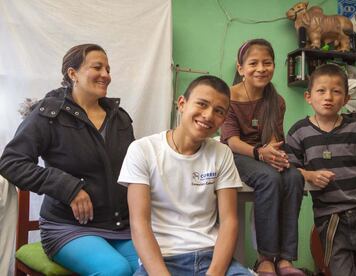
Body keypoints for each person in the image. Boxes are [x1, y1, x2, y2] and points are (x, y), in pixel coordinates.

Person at [0, 44, 138, 275]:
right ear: (72, 73)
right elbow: (11, 163)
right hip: (67, 228)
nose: (106, 75)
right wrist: (68, 187)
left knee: (156, 269)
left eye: (108, 68)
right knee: (117, 270)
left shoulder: (120, 118)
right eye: (97, 67)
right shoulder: (47, 115)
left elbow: (134, 169)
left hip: (121, 227)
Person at [118, 75, 251, 276]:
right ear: (182, 103)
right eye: (202, 104)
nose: (208, 115)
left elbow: (229, 221)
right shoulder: (142, 150)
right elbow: (139, 223)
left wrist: (214, 274)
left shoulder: (222, 153)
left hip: (210, 256)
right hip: (162, 260)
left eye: (219, 111)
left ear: (223, 119)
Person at [286, 64, 356, 276]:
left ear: (345, 99)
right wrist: (309, 175)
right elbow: (289, 171)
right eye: (321, 91)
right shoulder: (299, 132)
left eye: (336, 92)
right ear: (308, 96)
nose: (328, 97)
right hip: (330, 219)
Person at [220, 39, 305, 276]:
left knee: (294, 178)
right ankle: (265, 258)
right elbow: (232, 142)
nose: (261, 68)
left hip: (264, 155)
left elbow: (275, 139)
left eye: (267, 63)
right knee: (269, 178)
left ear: (274, 66)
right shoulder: (227, 96)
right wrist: (260, 153)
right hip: (236, 155)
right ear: (241, 69)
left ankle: (286, 259)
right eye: (253, 63)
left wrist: (277, 156)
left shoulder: (277, 101)